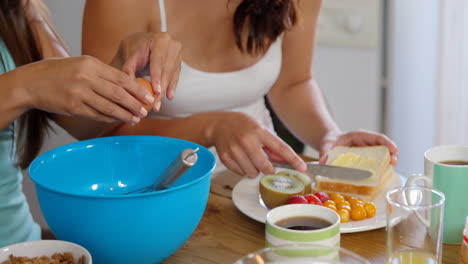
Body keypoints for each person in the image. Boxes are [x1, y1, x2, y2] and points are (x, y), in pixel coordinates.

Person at [83, 0, 399, 178]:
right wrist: (212, 127)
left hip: (256, 186)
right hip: (154, 187)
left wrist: (328, 136)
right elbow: (103, 131)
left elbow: (292, 82)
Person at [0, 0, 181, 247]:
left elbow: (81, 124)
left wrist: (122, 74)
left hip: (19, 245)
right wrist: (26, 85)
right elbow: (37, 82)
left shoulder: (19, 7)